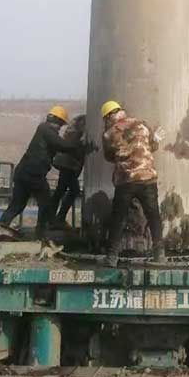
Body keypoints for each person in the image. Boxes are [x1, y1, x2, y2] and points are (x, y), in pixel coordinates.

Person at [0, 105, 81, 240]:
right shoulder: (46, 130)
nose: (60, 128)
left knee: (17, 205)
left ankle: (0, 228)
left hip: (23, 173)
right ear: (57, 121)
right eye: (60, 124)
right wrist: (80, 145)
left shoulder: (44, 130)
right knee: (45, 202)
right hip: (33, 174)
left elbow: (59, 147)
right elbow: (62, 145)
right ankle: (41, 232)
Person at [101, 99, 166, 267]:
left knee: (118, 218)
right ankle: (159, 254)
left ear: (107, 117)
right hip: (147, 178)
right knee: (153, 216)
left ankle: (111, 257)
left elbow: (109, 156)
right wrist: (155, 140)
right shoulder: (141, 124)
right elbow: (151, 146)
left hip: (126, 180)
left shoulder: (109, 134)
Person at [46, 113, 95, 228]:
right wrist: (90, 147)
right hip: (68, 163)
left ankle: (52, 219)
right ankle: (56, 218)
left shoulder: (77, 122)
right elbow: (79, 143)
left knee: (61, 190)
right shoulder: (84, 122)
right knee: (73, 190)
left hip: (66, 162)